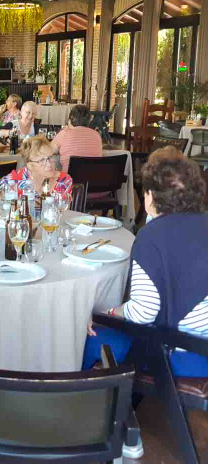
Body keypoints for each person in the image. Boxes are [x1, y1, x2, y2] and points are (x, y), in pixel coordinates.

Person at [82, 147, 208, 379]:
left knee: (85, 336)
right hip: (199, 344)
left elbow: (143, 313)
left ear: (151, 196)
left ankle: (95, 400)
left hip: (185, 354)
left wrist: (106, 312)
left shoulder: (152, 237)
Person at [0, 135, 73, 197]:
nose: (49, 164)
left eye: (50, 157)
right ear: (30, 166)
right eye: (42, 160)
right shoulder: (17, 179)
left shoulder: (64, 180)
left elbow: (64, 208)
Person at [50, 104, 102, 173]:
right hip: (93, 178)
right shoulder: (97, 135)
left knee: (52, 158)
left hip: (69, 179)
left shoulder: (65, 133)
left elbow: (48, 150)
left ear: (70, 119)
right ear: (89, 120)